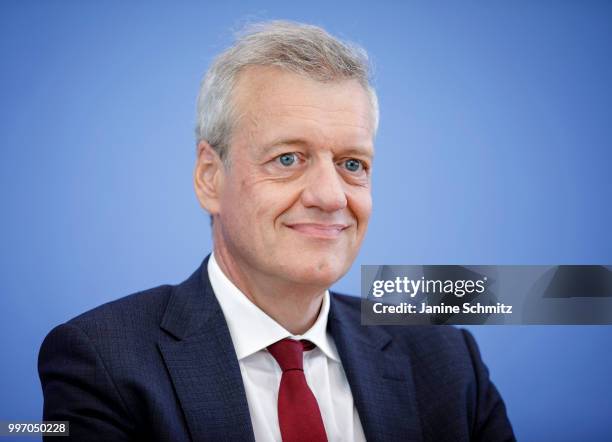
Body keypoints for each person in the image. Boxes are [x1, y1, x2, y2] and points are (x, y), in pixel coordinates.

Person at [38, 20, 515, 442]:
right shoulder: (103, 361)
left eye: (353, 164)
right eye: (288, 158)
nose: (330, 196)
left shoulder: (446, 359)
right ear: (210, 177)